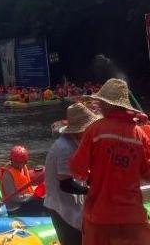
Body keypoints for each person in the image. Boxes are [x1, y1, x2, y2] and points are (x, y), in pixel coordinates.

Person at [70, 78, 150, 245]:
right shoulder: (139, 135)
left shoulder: (94, 130)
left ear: (106, 104)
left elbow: (77, 170)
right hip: (132, 218)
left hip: (99, 218)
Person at [44, 103, 100, 245]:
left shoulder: (73, 144)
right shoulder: (65, 148)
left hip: (69, 205)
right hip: (61, 207)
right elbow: (66, 184)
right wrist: (90, 191)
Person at [0, 145, 44, 216]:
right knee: (43, 203)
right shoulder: (7, 174)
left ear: (25, 161)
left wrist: (35, 194)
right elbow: (14, 198)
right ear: (11, 160)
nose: (18, 165)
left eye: (21, 162)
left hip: (26, 201)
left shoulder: (24, 168)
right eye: (16, 162)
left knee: (46, 199)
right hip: (16, 208)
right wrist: (33, 196)